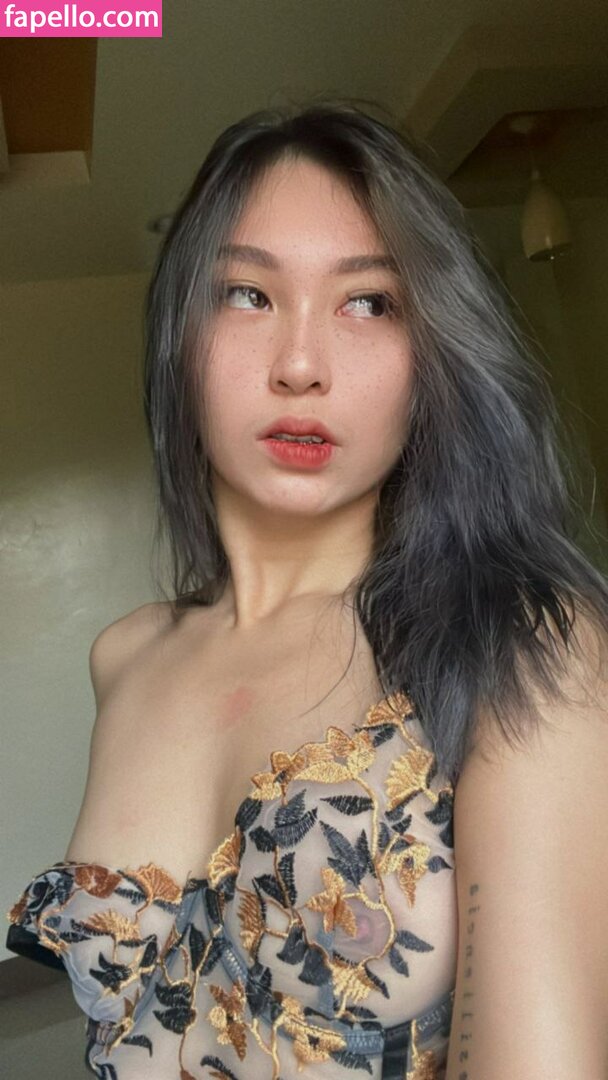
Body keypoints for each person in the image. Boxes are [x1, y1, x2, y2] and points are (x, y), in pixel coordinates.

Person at [6, 99, 608, 1080]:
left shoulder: (522, 638)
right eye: (247, 294)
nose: (299, 365)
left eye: (368, 303)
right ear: (181, 332)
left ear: (430, 354)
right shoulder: (123, 656)